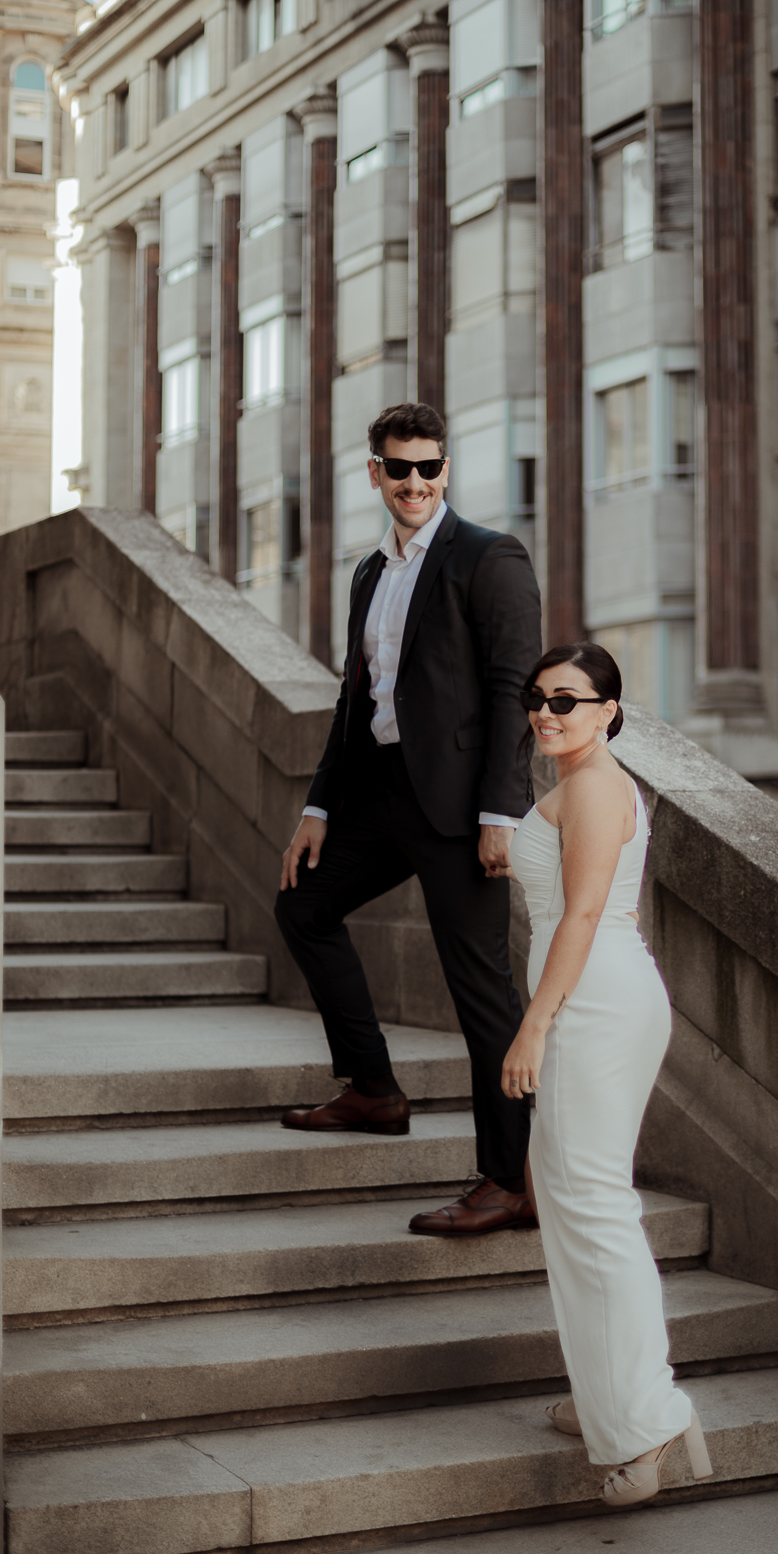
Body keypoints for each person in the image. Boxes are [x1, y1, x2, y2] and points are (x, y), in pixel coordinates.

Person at [275, 401, 542, 1237]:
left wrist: (503, 811)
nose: (417, 482)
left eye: (431, 467)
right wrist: (319, 803)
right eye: (401, 469)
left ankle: (508, 1181)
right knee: (303, 905)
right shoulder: (367, 573)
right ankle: (374, 1090)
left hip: (463, 809)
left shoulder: (487, 557)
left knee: (482, 995)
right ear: (376, 475)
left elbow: (513, 691)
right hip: (380, 793)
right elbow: (356, 699)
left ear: (446, 471)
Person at [502, 642, 713, 1507]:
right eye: (537, 698)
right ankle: (608, 1399)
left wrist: (534, 1026)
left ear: (609, 711)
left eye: (568, 700)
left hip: (591, 1001)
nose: (547, 713)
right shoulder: (579, 784)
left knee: (594, 1206)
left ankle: (647, 1420)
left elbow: (584, 912)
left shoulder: (593, 785)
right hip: (591, 995)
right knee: (572, 1201)